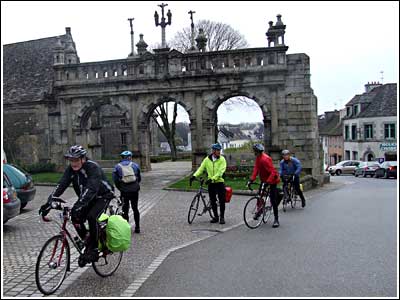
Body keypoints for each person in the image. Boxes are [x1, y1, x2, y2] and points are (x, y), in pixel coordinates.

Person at [38, 145, 115, 267]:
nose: (73, 163)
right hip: (87, 197)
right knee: (75, 217)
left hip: (103, 195)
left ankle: (94, 248)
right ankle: (87, 241)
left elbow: (91, 189)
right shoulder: (71, 170)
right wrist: (48, 203)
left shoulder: (92, 167)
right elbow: (61, 185)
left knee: (91, 217)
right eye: (71, 160)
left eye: (76, 160)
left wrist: (78, 205)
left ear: (83, 159)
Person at [190, 143, 227, 224]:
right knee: (213, 200)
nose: (219, 152)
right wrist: (194, 176)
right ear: (213, 151)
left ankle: (222, 217)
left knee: (222, 200)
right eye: (217, 150)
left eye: (219, 150)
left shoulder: (222, 159)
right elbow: (201, 169)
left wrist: (212, 179)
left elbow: (221, 172)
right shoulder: (207, 159)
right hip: (211, 184)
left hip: (219, 182)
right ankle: (216, 217)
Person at [247, 143, 281, 228]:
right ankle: (259, 211)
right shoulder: (258, 158)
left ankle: (276, 219)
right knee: (259, 195)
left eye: (256, 151)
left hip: (272, 180)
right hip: (264, 179)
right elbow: (256, 169)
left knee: (273, 200)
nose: (255, 153)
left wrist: (268, 182)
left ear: (259, 152)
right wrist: (251, 179)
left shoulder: (265, 159)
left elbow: (273, 172)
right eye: (255, 151)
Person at [112, 150, 141, 233]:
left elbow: (115, 180)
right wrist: (135, 185)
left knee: (125, 209)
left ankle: (126, 228)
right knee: (135, 208)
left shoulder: (117, 167)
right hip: (134, 190)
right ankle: (137, 227)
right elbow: (139, 178)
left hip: (124, 191)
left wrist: (120, 187)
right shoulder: (135, 165)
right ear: (130, 157)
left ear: (122, 158)